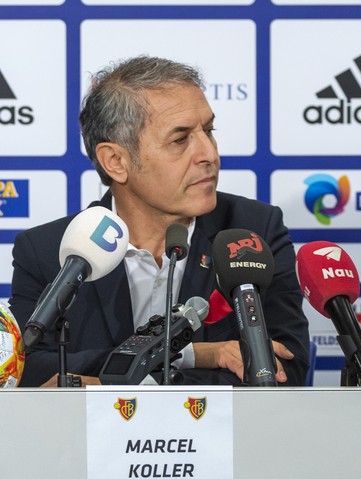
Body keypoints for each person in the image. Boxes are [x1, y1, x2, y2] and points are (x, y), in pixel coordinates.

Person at [10, 56, 310, 387]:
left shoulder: (254, 231)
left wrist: (107, 384)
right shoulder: (46, 251)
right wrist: (202, 353)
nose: (209, 154)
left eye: (208, 131)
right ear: (116, 161)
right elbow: (27, 367)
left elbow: (285, 366)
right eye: (180, 139)